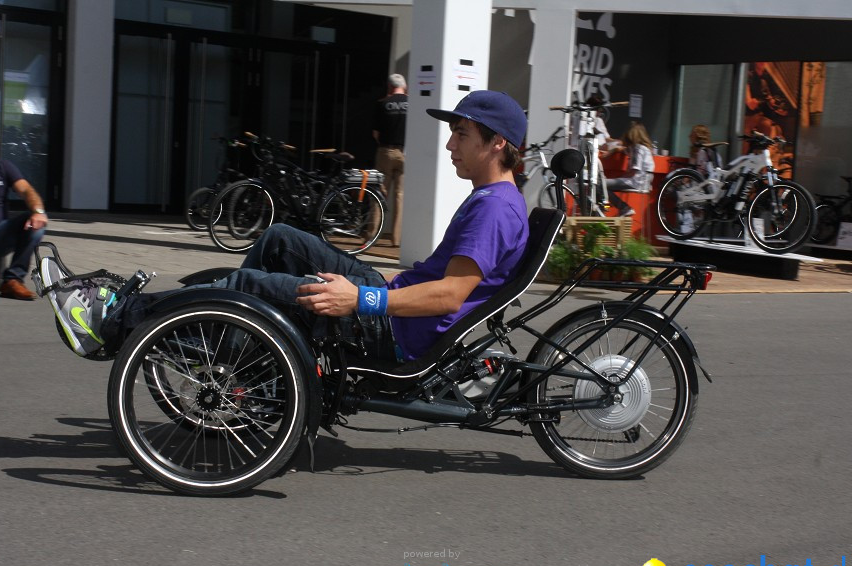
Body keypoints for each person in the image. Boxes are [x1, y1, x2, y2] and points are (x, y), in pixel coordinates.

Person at [41, 90, 530, 363]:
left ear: (496, 143)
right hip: (390, 302)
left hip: (394, 328)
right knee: (281, 239)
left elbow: (448, 296)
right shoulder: (493, 199)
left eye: (461, 135)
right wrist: (374, 289)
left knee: (245, 285)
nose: (450, 146)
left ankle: (112, 318)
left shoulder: (493, 210)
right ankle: (240, 354)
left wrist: (361, 299)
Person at [0, 122, 47, 301]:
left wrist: (37, 211)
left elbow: (26, 190)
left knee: (35, 224)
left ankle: (13, 281)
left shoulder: (2, 166)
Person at [372, 73, 408, 247]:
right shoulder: (413, 104)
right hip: (405, 154)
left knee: (379, 193)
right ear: (405, 87)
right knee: (399, 196)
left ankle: (371, 235)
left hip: (386, 151)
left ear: (389, 87)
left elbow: (376, 133)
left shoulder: (382, 104)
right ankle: (396, 239)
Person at [602, 121, 655, 217]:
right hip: (643, 183)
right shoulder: (643, 148)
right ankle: (613, 207)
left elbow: (634, 171)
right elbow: (623, 149)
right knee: (603, 186)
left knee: (601, 184)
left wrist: (620, 178)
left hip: (635, 182)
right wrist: (615, 149)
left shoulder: (638, 149)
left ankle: (621, 208)